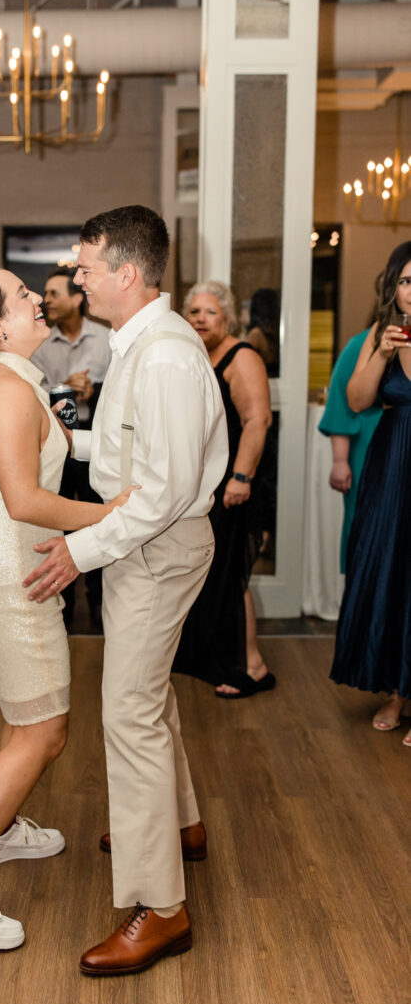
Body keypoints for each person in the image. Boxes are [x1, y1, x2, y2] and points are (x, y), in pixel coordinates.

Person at [23, 206, 228, 975]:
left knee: (128, 715)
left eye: (84, 268)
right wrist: (53, 433)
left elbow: (163, 491)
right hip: (141, 541)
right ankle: (180, 825)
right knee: (146, 699)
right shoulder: (136, 343)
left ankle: (161, 908)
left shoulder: (167, 355)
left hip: (154, 545)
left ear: (126, 274)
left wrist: (79, 552)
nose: (76, 280)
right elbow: (124, 449)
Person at [0, 266, 134, 950]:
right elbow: (24, 501)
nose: (39, 298)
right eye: (22, 297)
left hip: (1, 564)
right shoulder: (5, 390)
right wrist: (111, 515)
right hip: (12, 572)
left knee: (23, 718)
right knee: (43, 732)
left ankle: (3, 829)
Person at [171, 281, 274, 697]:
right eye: (193, 311)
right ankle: (210, 655)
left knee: (233, 576)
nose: (199, 318)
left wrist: (241, 477)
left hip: (234, 485)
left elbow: (257, 420)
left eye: (209, 312)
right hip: (202, 487)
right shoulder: (195, 355)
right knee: (206, 571)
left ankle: (253, 666)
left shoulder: (241, 356)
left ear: (228, 317)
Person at [330, 240, 411, 745]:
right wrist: (382, 353)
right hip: (391, 461)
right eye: (404, 280)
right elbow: (356, 400)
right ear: (393, 287)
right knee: (386, 565)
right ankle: (396, 691)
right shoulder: (380, 334)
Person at [32, 266, 111, 628]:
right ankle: (60, 603)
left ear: (77, 298)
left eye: (53, 294)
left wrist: (98, 390)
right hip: (54, 444)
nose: (45, 301)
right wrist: (63, 386)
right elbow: (31, 394)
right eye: (44, 295)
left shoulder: (107, 337)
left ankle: (99, 600)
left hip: (97, 439)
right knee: (58, 520)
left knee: (97, 516)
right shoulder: (40, 341)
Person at [318, 328, 382, 573]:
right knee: (367, 524)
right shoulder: (363, 344)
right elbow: (341, 402)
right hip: (371, 445)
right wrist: (340, 460)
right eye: (405, 285)